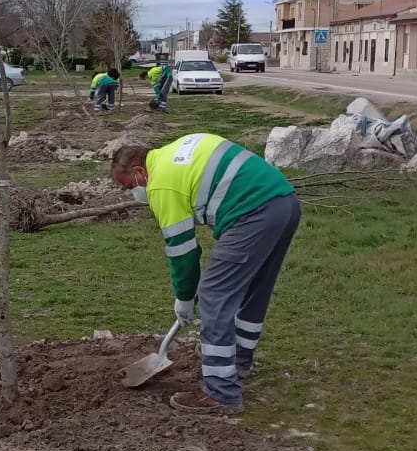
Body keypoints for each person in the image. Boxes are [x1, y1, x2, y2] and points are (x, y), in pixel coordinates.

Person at [110, 135, 300, 416]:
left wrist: (184, 298)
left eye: (130, 187)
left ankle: (222, 392)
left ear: (139, 171)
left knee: (214, 295)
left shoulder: (161, 183)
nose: (134, 194)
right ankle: (239, 361)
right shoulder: (176, 151)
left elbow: (183, 251)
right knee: (254, 288)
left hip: (252, 212)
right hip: (284, 201)